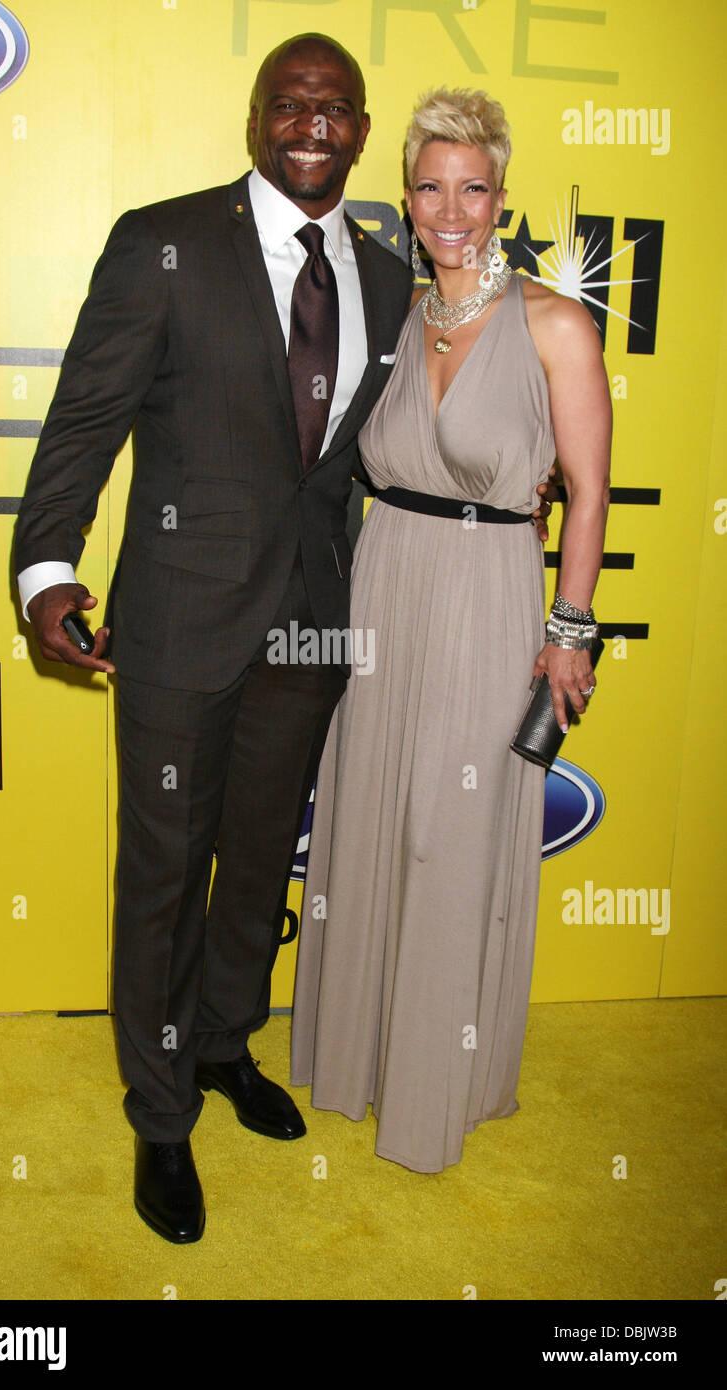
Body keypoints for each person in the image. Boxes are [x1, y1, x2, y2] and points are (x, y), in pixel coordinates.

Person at [13, 34, 412, 1243]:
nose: (311, 124)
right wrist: (46, 572)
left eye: (334, 107)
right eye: (290, 103)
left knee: (255, 860)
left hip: (306, 622)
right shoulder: (163, 241)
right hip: (179, 621)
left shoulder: (388, 279)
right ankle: (159, 1111)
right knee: (162, 877)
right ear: (255, 117)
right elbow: (84, 419)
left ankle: (229, 1044)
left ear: (357, 128)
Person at [290, 88, 611, 1174]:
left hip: (486, 591)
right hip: (384, 584)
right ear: (408, 201)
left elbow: (586, 492)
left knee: (449, 830)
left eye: (471, 187)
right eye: (430, 187)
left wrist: (569, 631)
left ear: (500, 200)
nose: (451, 208)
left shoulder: (553, 324)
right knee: (374, 813)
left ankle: (439, 1086)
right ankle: (356, 1060)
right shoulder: (390, 316)